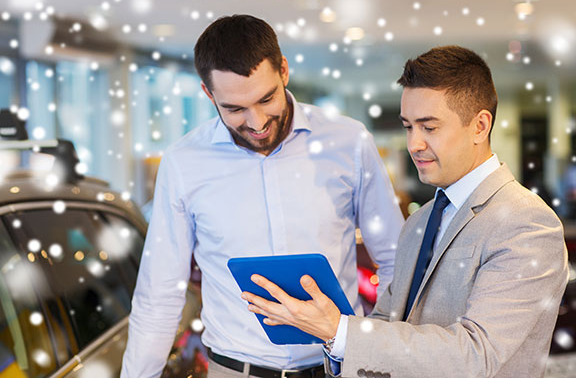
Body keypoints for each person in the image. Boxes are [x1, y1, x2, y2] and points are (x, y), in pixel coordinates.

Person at [243, 45, 569, 378]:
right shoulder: (420, 220)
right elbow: (388, 321)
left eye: (429, 128)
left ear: (480, 126)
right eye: (408, 127)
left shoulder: (527, 222)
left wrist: (340, 332)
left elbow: (477, 355)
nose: (413, 144)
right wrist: (333, 338)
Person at [120, 14, 404, 377]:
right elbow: (159, 294)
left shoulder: (348, 141)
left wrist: (375, 347)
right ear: (209, 94)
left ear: (283, 71)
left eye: (266, 99)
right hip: (234, 369)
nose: (256, 123)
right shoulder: (183, 163)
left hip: (339, 367)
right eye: (234, 109)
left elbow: (397, 261)